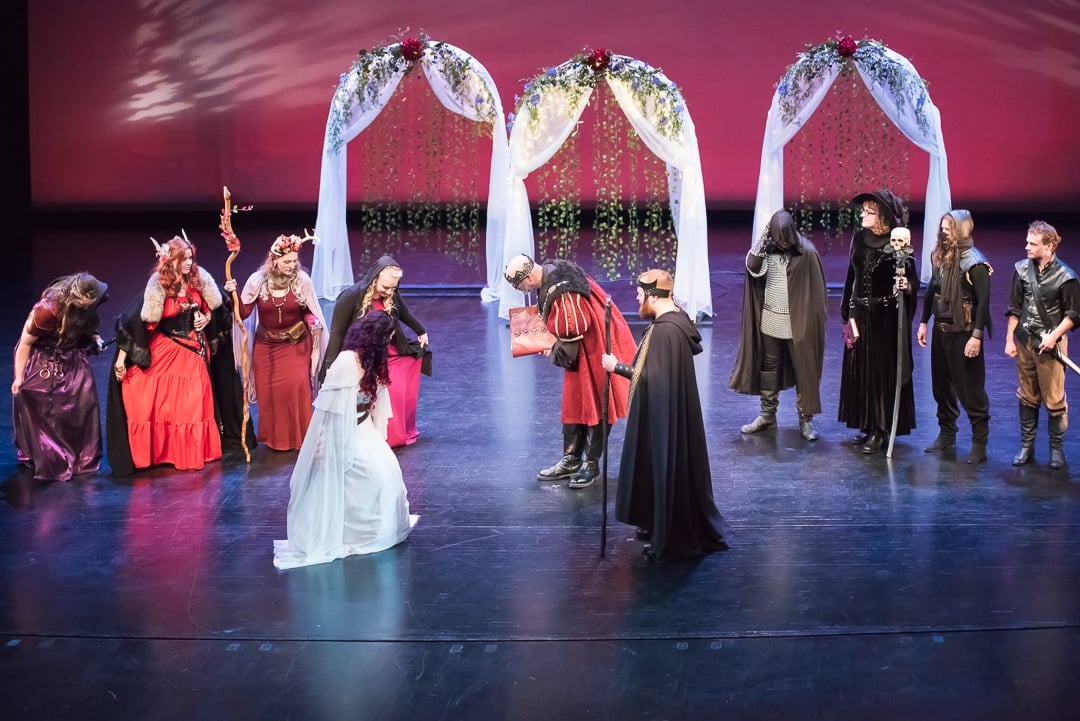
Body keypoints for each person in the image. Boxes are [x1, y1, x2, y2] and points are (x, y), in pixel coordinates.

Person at [274, 311, 418, 570]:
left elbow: (375, 403)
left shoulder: (372, 361)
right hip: (342, 431)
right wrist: (323, 444)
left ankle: (380, 528)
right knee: (369, 473)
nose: (389, 344)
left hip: (362, 428)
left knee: (387, 472)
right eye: (387, 338)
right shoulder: (346, 362)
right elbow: (327, 410)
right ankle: (352, 532)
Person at [601, 269, 729, 563]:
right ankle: (658, 523)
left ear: (651, 295)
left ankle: (669, 537)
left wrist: (616, 367)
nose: (636, 299)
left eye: (638, 295)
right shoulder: (676, 321)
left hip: (663, 420)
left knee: (663, 466)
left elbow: (650, 380)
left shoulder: (664, 332)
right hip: (667, 415)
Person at [503, 254, 637, 489]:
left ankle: (591, 464)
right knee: (576, 402)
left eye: (518, 285)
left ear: (527, 277)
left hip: (595, 349)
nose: (520, 290)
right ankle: (572, 459)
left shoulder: (562, 290)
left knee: (596, 403)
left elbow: (574, 328)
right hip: (587, 344)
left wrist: (554, 347)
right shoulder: (551, 271)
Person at [107, 235, 225, 473]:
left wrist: (205, 318)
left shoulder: (198, 281)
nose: (189, 263)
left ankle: (189, 452)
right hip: (165, 347)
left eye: (191, 258)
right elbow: (136, 326)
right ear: (171, 261)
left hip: (193, 351)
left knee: (190, 404)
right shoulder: (159, 285)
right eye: (184, 259)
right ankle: (159, 452)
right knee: (144, 394)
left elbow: (210, 309)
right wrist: (120, 361)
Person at [729, 209, 828, 441]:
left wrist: (809, 322)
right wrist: (764, 239)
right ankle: (767, 414)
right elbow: (752, 267)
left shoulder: (807, 254)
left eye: (786, 238)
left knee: (804, 369)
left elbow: (817, 294)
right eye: (778, 237)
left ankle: (806, 419)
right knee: (769, 367)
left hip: (799, 322)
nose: (783, 243)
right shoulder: (768, 250)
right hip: (771, 319)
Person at [223, 233, 328, 451]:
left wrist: (315, 322)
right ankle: (276, 440)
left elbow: (308, 311)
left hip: (295, 345)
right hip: (266, 346)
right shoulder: (258, 281)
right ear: (274, 260)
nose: (292, 265)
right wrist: (233, 295)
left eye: (294, 261)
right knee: (269, 393)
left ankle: (302, 438)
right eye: (287, 261)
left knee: (297, 385)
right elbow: (243, 314)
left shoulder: (301, 281)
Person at [838, 189, 920, 454]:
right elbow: (852, 275)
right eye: (862, 211)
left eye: (868, 211)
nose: (862, 214)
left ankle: (881, 428)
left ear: (882, 215)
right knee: (862, 369)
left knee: (881, 372)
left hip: (885, 318)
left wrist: (906, 285)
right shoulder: (860, 239)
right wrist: (847, 310)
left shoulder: (897, 242)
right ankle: (867, 424)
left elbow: (912, 280)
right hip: (861, 314)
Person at [323, 255, 431, 448]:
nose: (390, 292)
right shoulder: (351, 296)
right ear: (374, 278)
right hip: (363, 358)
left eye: (394, 288)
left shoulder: (391, 293)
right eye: (386, 287)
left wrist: (420, 330)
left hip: (389, 352)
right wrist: (331, 366)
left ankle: (392, 436)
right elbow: (337, 332)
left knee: (397, 390)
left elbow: (404, 312)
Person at [12, 273, 109, 481]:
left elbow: (86, 324)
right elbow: (25, 344)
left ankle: (81, 455)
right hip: (46, 357)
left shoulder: (87, 304)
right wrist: (19, 377)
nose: (88, 306)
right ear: (76, 297)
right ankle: (51, 455)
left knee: (84, 400)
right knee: (44, 403)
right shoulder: (46, 310)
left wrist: (96, 337)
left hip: (73, 356)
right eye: (85, 303)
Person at [917, 210, 993, 464]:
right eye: (943, 227)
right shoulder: (940, 256)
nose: (944, 232)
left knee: (970, 389)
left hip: (964, 333)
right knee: (942, 387)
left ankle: (979, 443)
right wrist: (923, 322)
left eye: (949, 228)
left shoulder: (975, 263)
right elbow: (932, 291)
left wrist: (976, 337)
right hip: (941, 330)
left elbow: (983, 304)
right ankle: (947, 433)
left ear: (961, 229)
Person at [1004, 220, 1079, 469]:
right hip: (1025, 343)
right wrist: (1009, 339)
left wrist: (1054, 335)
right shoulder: (1022, 270)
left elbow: (1074, 315)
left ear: (1049, 247)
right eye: (1027, 242)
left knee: (1055, 399)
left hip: (1051, 348)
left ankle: (1056, 450)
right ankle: (1027, 446)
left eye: (1033, 244)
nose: (1026, 247)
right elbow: (1015, 308)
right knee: (1027, 396)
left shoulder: (1066, 277)